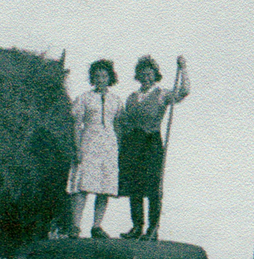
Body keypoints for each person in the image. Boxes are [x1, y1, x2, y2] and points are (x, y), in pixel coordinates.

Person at [118, 55, 189, 240]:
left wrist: (183, 68)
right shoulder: (132, 97)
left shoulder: (161, 94)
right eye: (143, 74)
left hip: (151, 141)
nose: (146, 77)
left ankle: (153, 228)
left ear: (155, 75)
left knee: (152, 185)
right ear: (138, 76)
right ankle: (136, 227)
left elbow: (184, 91)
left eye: (150, 74)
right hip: (132, 142)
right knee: (134, 185)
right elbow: (125, 121)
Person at [66, 59, 123, 239]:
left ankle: (97, 226)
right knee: (83, 186)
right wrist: (77, 148)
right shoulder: (84, 98)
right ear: (92, 78)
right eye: (97, 76)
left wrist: (118, 146)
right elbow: (76, 124)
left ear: (109, 78)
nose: (100, 79)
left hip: (109, 145)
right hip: (89, 142)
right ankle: (75, 226)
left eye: (104, 76)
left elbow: (120, 125)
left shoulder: (116, 100)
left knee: (104, 187)